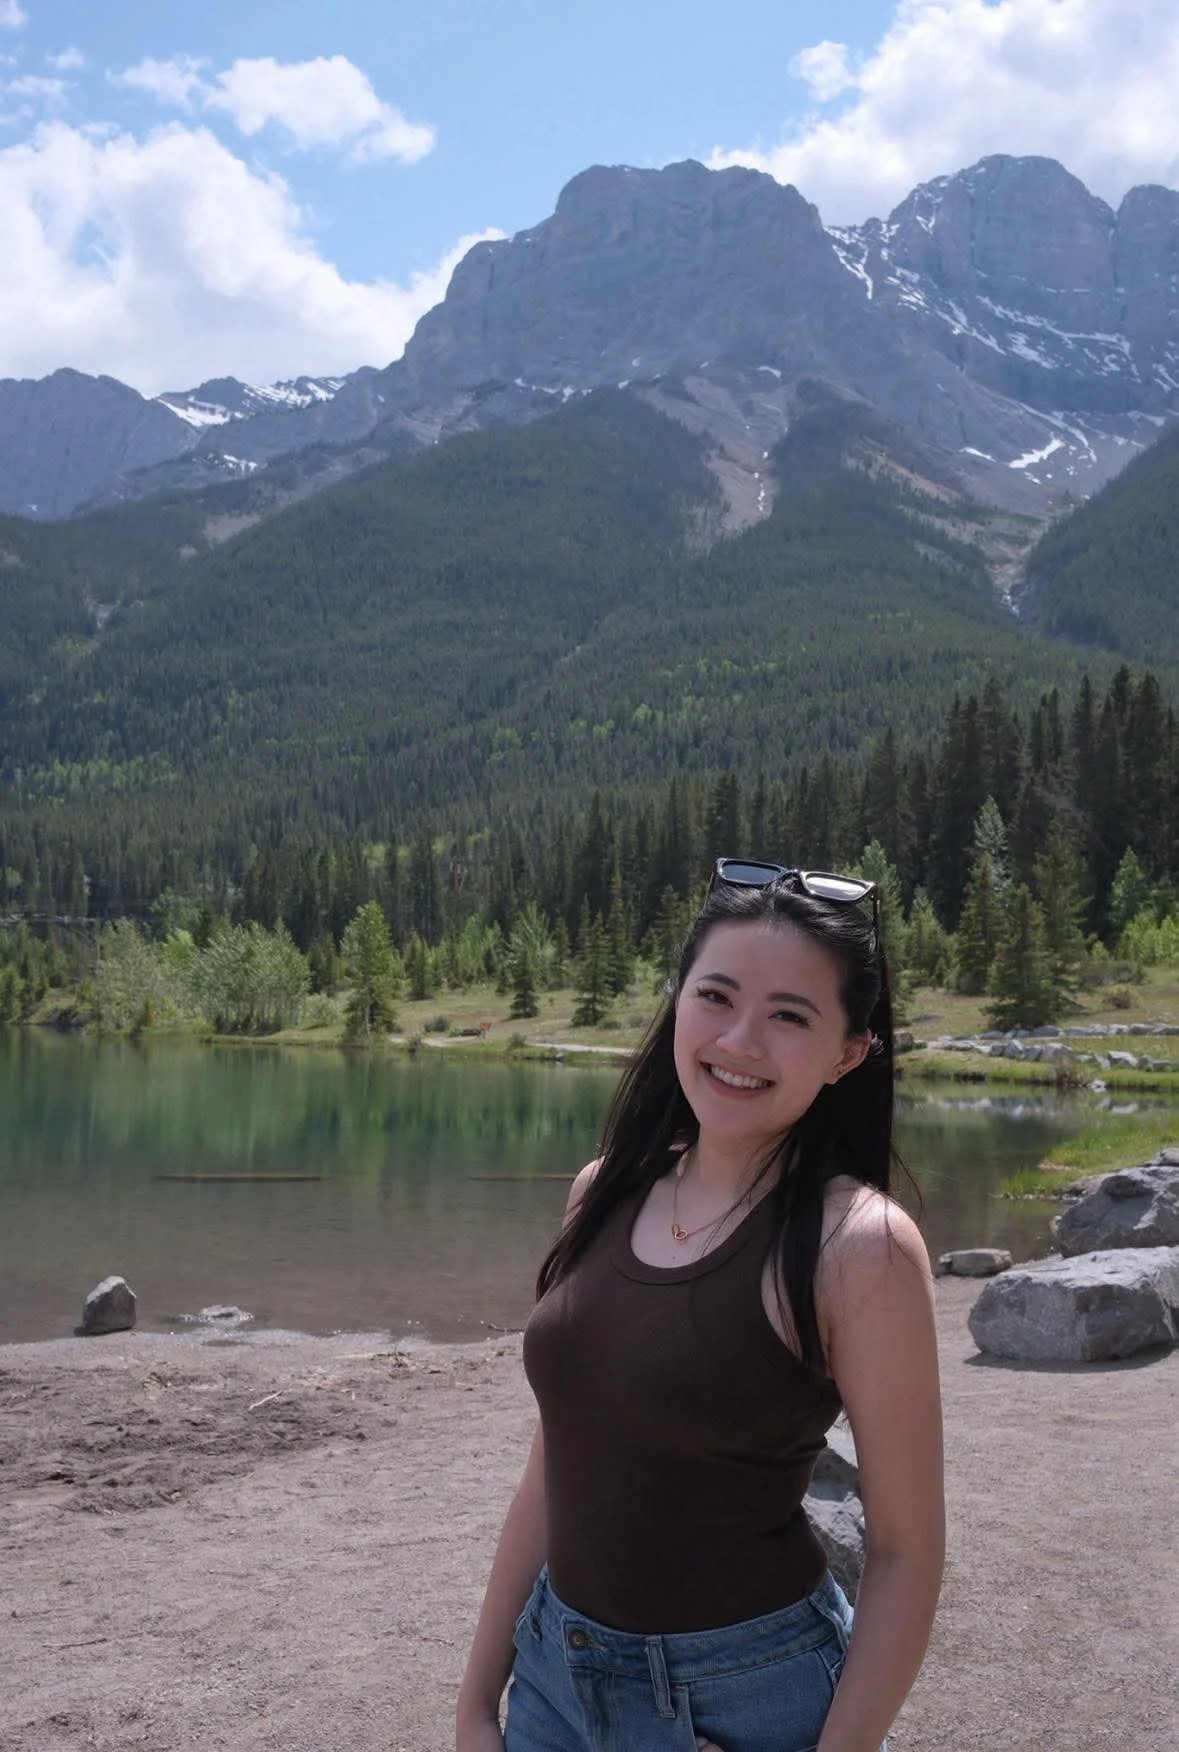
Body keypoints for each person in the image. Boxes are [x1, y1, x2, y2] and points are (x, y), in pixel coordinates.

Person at [456, 861, 944, 1752]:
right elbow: (554, 1464)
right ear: (678, 997)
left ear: (848, 1051)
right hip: (553, 1677)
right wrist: (474, 1700)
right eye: (715, 996)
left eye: (789, 1016)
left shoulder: (858, 1247)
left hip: (745, 1699)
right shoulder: (602, 1191)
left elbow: (906, 1553)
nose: (740, 1039)